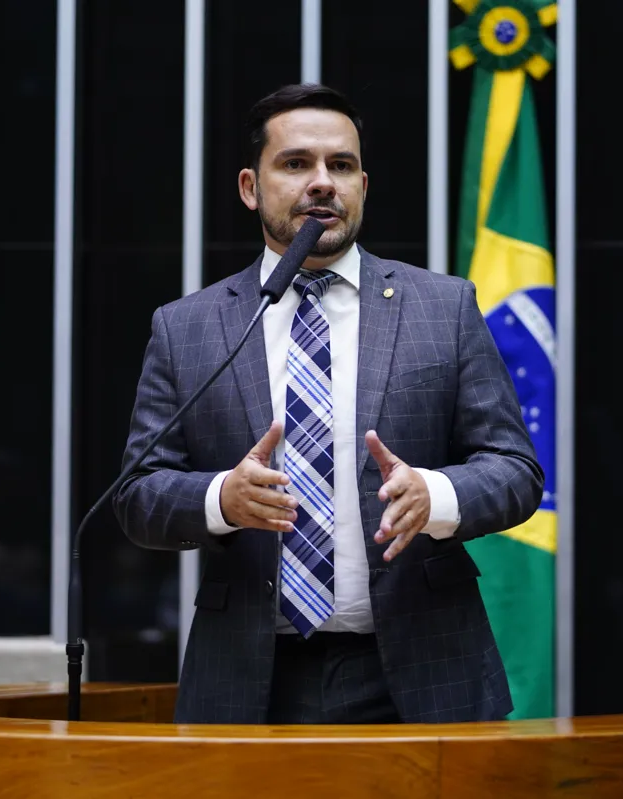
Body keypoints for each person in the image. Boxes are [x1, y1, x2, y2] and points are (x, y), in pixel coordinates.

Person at [113, 83, 544, 725]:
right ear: (250, 188)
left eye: (340, 166)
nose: (322, 182)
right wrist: (220, 500)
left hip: (424, 666)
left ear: (362, 185)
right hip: (250, 677)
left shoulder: (443, 308)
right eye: (296, 164)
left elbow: (516, 471)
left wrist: (436, 494)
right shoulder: (188, 328)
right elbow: (136, 497)